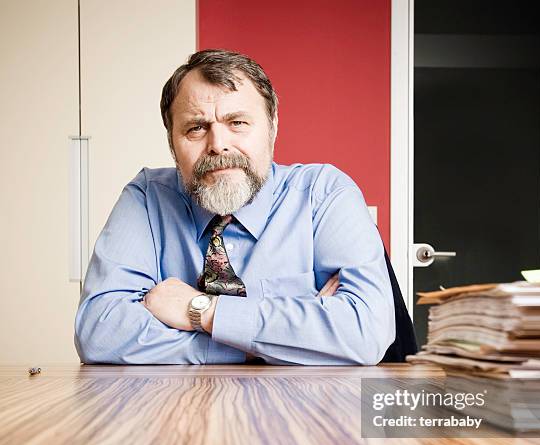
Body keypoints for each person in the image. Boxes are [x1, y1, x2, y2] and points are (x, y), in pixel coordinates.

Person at [74, 49, 395, 365]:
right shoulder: (146, 198)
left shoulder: (324, 194)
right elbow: (99, 333)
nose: (218, 144)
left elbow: (366, 330)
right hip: (174, 410)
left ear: (272, 127)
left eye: (238, 122)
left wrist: (201, 311)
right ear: (172, 143)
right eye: (195, 128)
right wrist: (269, 344)